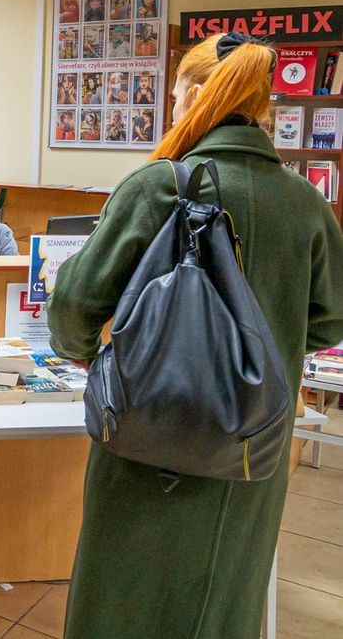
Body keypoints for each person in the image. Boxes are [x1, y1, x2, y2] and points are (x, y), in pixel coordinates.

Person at [47, 33, 343, 639]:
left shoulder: (160, 186)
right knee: (226, 600)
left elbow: (75, 306)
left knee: (122, 602)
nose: (174, 109)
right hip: (254, 446)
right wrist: (267, 349)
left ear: (201, 96)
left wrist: (83, 355)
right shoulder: (306, 202)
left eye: (178, 95)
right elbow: (333, 317)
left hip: (151, 434)